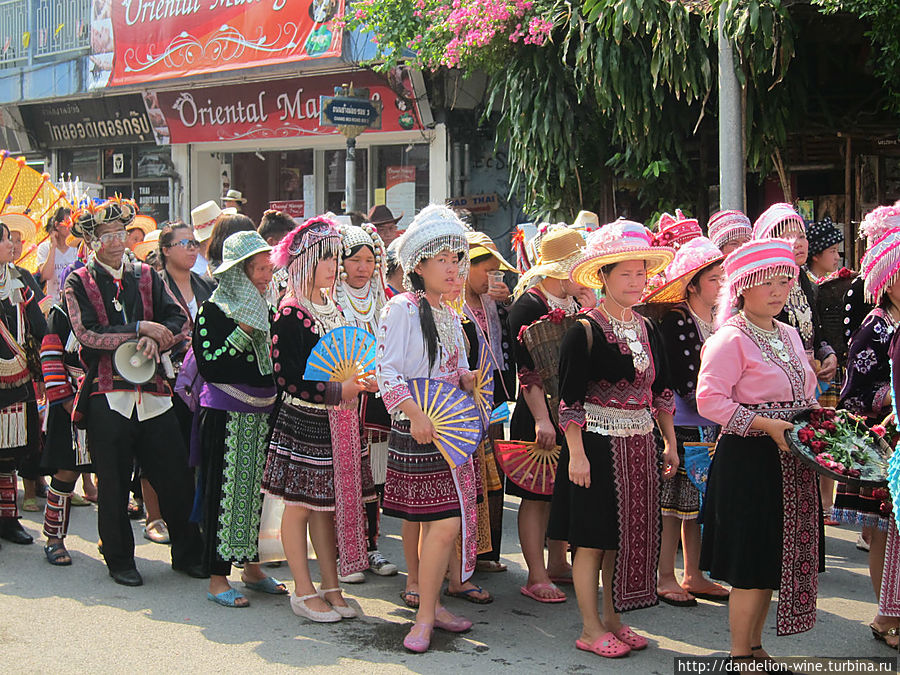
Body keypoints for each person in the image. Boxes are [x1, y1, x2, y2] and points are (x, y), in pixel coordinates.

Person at [548, 221, 677, 659]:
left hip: (640, 447)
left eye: (642, 274)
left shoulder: (649, 328)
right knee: (591, 540)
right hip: (597, 448)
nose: (637, 282)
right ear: (602, 277)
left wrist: (670, 442)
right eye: (626, 274)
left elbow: (661, 393)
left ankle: (615, 619)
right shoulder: (583, 331)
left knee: (621, 541)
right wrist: (577, 456)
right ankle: (588, 627)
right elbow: (569, 401)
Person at [63, 197, 204, 587]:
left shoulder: (146, 274)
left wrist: (159, 339)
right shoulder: (78, 280)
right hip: (107, 393)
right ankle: (119, 558)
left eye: (120, 233)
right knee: (113, 481)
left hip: (155, 391)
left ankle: (188, 553)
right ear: (92, 241)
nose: (115, 241)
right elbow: (86, 335)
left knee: (175, 475)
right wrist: (139, 328)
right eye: (106, 235)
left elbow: (179, 318)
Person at [697, 238, 821, 665]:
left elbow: (806, 392)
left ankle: (755, 647)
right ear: (743, 287)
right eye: (766, 282)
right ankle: (738, 655)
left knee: (771, 559)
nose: (777, 290)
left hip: (789, 459)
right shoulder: (729, 337)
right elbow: (709, 400)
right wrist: (765, 424)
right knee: (750, 564)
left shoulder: (787, 332)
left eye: (784, 281)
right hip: (749, 462)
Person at [261, 216, 377, 623]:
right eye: (326, 258)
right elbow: (287, 379)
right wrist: (338, 390)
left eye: (334, 257)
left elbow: (349, 357)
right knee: (299, 506)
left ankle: (331, 584)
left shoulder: (333, 304)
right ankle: (303, 589)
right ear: (304, 261)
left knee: (326, 506)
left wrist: (362, 381)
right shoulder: (291, 311)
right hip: (306, 420)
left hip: (340, 419)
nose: (334, 265)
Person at [376, 204, 478, 652]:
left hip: (450, 432)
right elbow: (387, 370)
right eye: (444, 260)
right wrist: (415, 415)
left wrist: (466, 379)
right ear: (418, 265)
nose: (454, 268)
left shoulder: (451, 316)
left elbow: (450, 371)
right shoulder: (401, 308)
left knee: (447, 525)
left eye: (457, 260)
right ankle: (423, 615)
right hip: (420, 429)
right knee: (440, 524)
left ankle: (431, 607)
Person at [193, 230, 285, 607]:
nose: (266, 276)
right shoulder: (213, 310)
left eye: (268, 268)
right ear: (239, 273)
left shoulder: (270, 307)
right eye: (259, 270)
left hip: (265, 414)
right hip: (226, 417)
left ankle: (253, 567)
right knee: (224, 495)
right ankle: (217, 578)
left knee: (261, 497)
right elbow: (211, 366)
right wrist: (245, 329)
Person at [643, 236, 730, 606]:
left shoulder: (719, 318)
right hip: (681, 423)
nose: (721, 285)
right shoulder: (676, 322)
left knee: (698, 504)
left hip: (713, 422)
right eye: (713, 279)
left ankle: (694, 574)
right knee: (673, 505)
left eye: (723, 277)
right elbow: (680, 379)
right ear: (692, 283)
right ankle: (665, 575)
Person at [507, 226, 590, 603]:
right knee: (536, 494)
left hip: (570, 409)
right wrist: (542, 418)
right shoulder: (528, 306)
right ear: (560, 271)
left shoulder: (576, 301)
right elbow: (528, 373)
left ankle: (557, 561)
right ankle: (535, 573)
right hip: (539, 410)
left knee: (563, 491)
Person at [833, 228, 900, 644]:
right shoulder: (874, 329)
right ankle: (886, 614)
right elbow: (852, 395)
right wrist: (890, 398)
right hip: (880, 441)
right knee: (883, 531)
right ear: (888, 284)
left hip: (893, 433)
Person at [333, 222, 398, 580]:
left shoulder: (386, 298)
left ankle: (371, 546)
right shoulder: (329, 298)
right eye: (354, 260)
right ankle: (344, 552)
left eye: (368, 260)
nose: (362, 267)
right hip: (341, 400)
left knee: (374, 477)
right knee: (343, 478)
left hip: (375, 401)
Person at [462, 230, 517, 573]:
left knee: (492, 471)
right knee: (468, 476)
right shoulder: (453, 305)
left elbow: (509, 344)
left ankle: (487, 552)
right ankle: (465, 552)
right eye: (486, 269)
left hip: (493, 396)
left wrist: (508, 302)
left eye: (497, 271)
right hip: (462, 401)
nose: (492, 278)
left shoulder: (494, 304)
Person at [39, 261, 92, 564]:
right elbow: (49, 356)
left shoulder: (103, 310)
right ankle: (54, 537)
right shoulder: (59, 314)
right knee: (66, 472)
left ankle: (111, 540)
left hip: (102, 397)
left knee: (111, 473)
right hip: (70, 399)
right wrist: (66, 399)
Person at [752, 203, 838, 388]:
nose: (798, 243)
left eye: (802, 236)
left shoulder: (803, 279)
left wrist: (827, 354)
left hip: (807, 381)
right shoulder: (760, 286)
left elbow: (815, 330)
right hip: (775, 384)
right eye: (788, 237)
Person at [0, 220, 47, 547]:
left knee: (8, 453)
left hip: (16, 376)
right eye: (5, 241)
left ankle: (7, 518)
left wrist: (46, 372)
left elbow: (41, 327)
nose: (12, 246)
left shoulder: (21, 279)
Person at [36, 207, 78, 303]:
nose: (70, 227)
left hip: (74, 302)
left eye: (73, 224)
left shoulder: (76, 248)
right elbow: (46, 275)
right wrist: (53, 247)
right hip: (53, 303)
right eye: (67, 223)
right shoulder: (45, 248)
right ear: (57, 225)